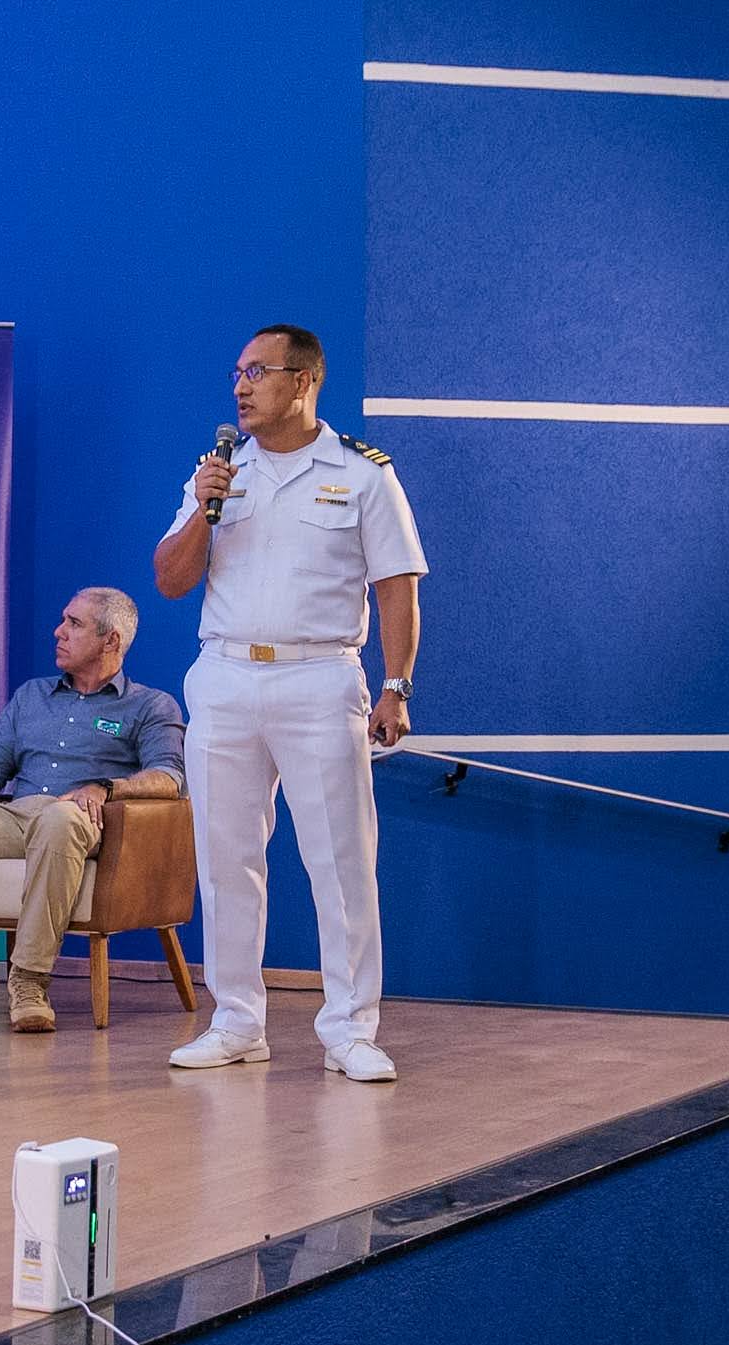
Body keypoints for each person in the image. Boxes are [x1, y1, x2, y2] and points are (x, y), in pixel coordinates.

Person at [154, 324, 427, 1082]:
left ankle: (350, 1030)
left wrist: (397, 685)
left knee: (340, 860)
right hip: (225, 675)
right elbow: (170, 579)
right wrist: (203, 510)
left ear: (303, 381)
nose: (241, 387)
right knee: (225, 859)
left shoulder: (363, 474)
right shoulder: (216, 473)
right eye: (237, 373)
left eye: (258, 372)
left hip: (319, 677)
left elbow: (397, 585)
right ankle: (236, 1021)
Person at [0, 588, 186, 1032]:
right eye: (63, 620)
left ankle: (29, 981)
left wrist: (105, 788)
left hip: (82, 821)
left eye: (74, 624)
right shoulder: (31, 696)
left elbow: (169, 777)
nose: (58, 632)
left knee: (59, 819)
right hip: (17, 814)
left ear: (111, 640)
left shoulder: (150, 704)